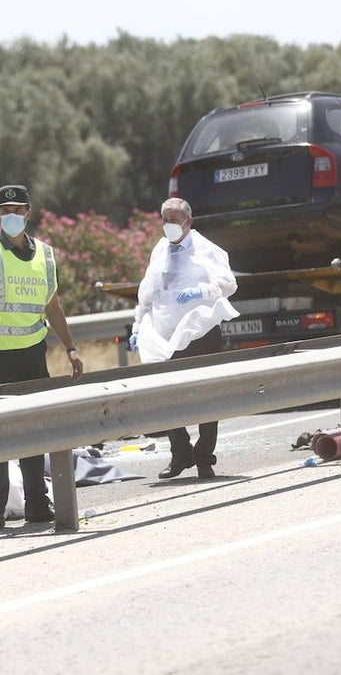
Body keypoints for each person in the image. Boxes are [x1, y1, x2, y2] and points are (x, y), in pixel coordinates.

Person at [0, 185, 84, 532]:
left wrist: (70, 347)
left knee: (33, 430)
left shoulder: (45, 255)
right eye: (5, 210)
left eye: (17, 209)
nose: (11, 215)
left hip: (32, 354)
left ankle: (37, 504)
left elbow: (52, 304)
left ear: (28, 212)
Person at [129, 197, 239, 480]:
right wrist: (138, 325)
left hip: (200, 331)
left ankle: (204, 458)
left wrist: (203, 291)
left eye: (174, 220)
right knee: (165, 395)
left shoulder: (205, 249)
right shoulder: (160, 250)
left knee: (206, 396)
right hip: (166, 334)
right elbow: (147, 292)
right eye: (165, 220)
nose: (169, 225)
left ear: (188, 222)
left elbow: (229, 283)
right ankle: (181, 453)